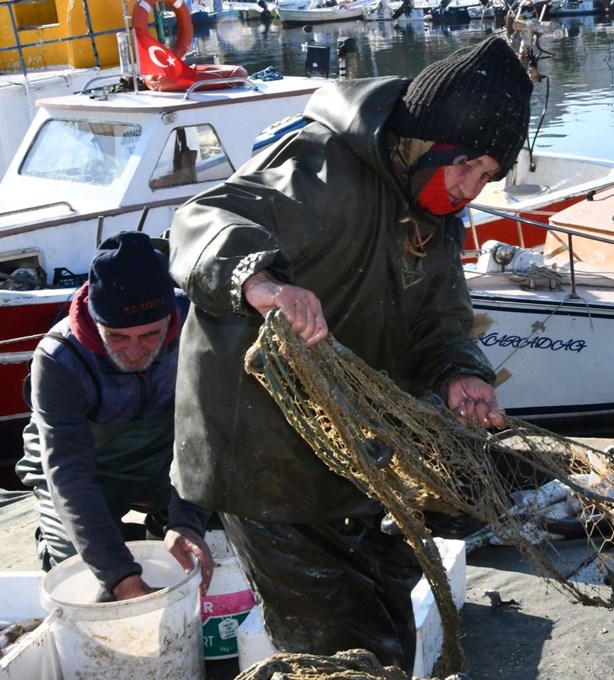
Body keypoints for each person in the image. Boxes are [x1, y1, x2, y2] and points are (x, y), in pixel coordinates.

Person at [167, 36, 532, 672]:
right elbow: (203, 217)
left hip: (347, 448)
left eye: (489, 177)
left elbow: (442, 318)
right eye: (466, 165)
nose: (472, 187)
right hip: (259, 453)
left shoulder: (432, 206)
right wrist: (262, 283)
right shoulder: (322, 164)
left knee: (394, 623)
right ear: (426, 141)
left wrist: (460, 372)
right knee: (343, 648)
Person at [16, 231, 214, 601]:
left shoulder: (197, 327)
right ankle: (67, 539)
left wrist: (186, 520)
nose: (136, 352)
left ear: (170, 318)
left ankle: (162, 521)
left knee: (223, 532)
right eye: (118, 337)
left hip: (168, 456)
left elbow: (211, 432)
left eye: (150, 335)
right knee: (81, 573)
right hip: (88, 466)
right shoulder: (59, 360)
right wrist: (119, 574)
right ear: (94, 316)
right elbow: (69, 471)